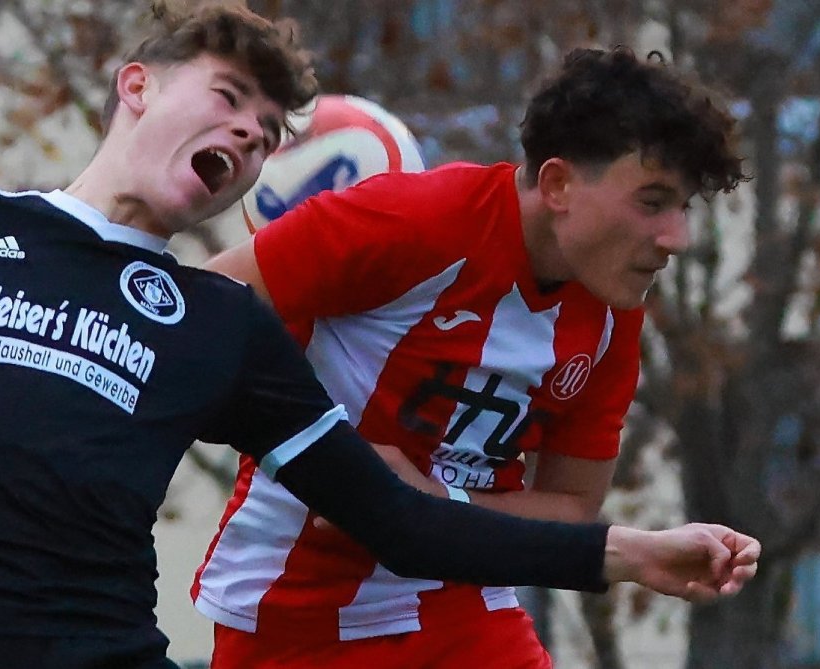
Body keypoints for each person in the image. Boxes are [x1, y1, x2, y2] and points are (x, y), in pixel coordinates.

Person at [0, 7, 755, 668]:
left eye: (265, 131)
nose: (243, 132)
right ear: (133, 87)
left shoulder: (212, 323)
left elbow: (406, 524)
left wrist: (627, 552)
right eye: (226, 97)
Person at [194, 46, 748, 669]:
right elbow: (186, 320)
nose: (678, 237)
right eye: (652, 202)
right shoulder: (412, 222)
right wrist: (314, 458)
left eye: (684, 207)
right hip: (295, 610)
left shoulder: (613, 309)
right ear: (558, 183)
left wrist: (423, 502)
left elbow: (570, 507)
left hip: (462, 604)